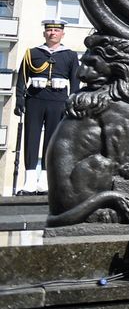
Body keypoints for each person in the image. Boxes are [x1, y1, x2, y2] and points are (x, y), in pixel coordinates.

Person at [14, 20, 80, 193]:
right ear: (44, 33)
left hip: (58, 101)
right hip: (35, 99)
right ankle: (29, 182)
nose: (52, 33)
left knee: (52, 141)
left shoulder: (70, 55)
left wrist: (72, 102)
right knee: (31, 138)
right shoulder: (32, 53)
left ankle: (44, 181)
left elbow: (75, 81)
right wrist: (19, 100)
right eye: (49, 30)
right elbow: (22, 78)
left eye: (56, 31)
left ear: (62, 34)